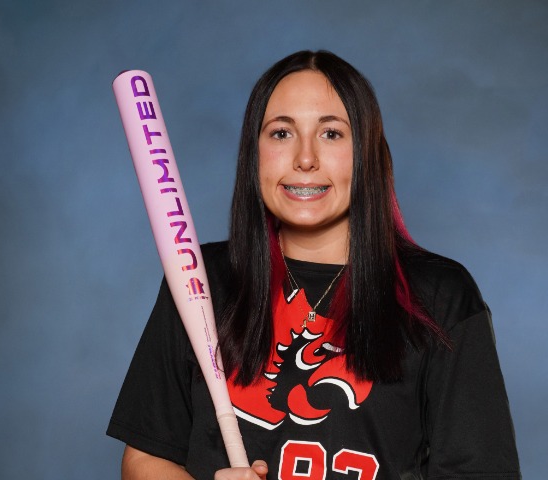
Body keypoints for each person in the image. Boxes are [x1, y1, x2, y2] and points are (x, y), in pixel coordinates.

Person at [107, 50, 521, 480]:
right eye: (282, 133)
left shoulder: (441, 297)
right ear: (254, 154)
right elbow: (145, 459)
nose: (305, 159)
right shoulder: (201, 279)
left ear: (366, 153)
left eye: (331, 133)